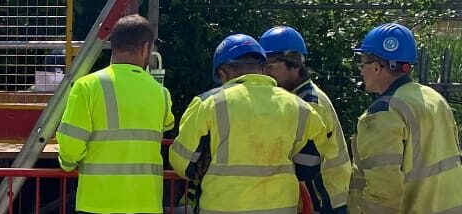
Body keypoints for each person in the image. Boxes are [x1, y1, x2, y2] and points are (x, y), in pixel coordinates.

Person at [169, 34, 329, 213]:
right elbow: (309, 166)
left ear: (223, 73)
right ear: (262, 68)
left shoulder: (209, 103)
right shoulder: (300, 107)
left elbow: (182, 162)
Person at [53, 15, 173, 214]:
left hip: (97, 203)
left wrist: (67, 164)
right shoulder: (161, 92)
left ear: (113, 45)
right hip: (146, 203)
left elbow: (71, 146)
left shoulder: (87, 86)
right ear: (145, 48)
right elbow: (166, 125)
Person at [350, 23, 462, 213]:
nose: (361, 70)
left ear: (376, 67)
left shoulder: (382, 113)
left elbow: (384, 192)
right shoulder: (433, 98)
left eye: (362, 62)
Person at [258, 26, 352, 213]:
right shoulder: (294, 96)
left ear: (294, 64)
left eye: (270, 66)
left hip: (325, 197)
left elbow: (305, 166)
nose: (264, 73)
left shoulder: (310, 103)